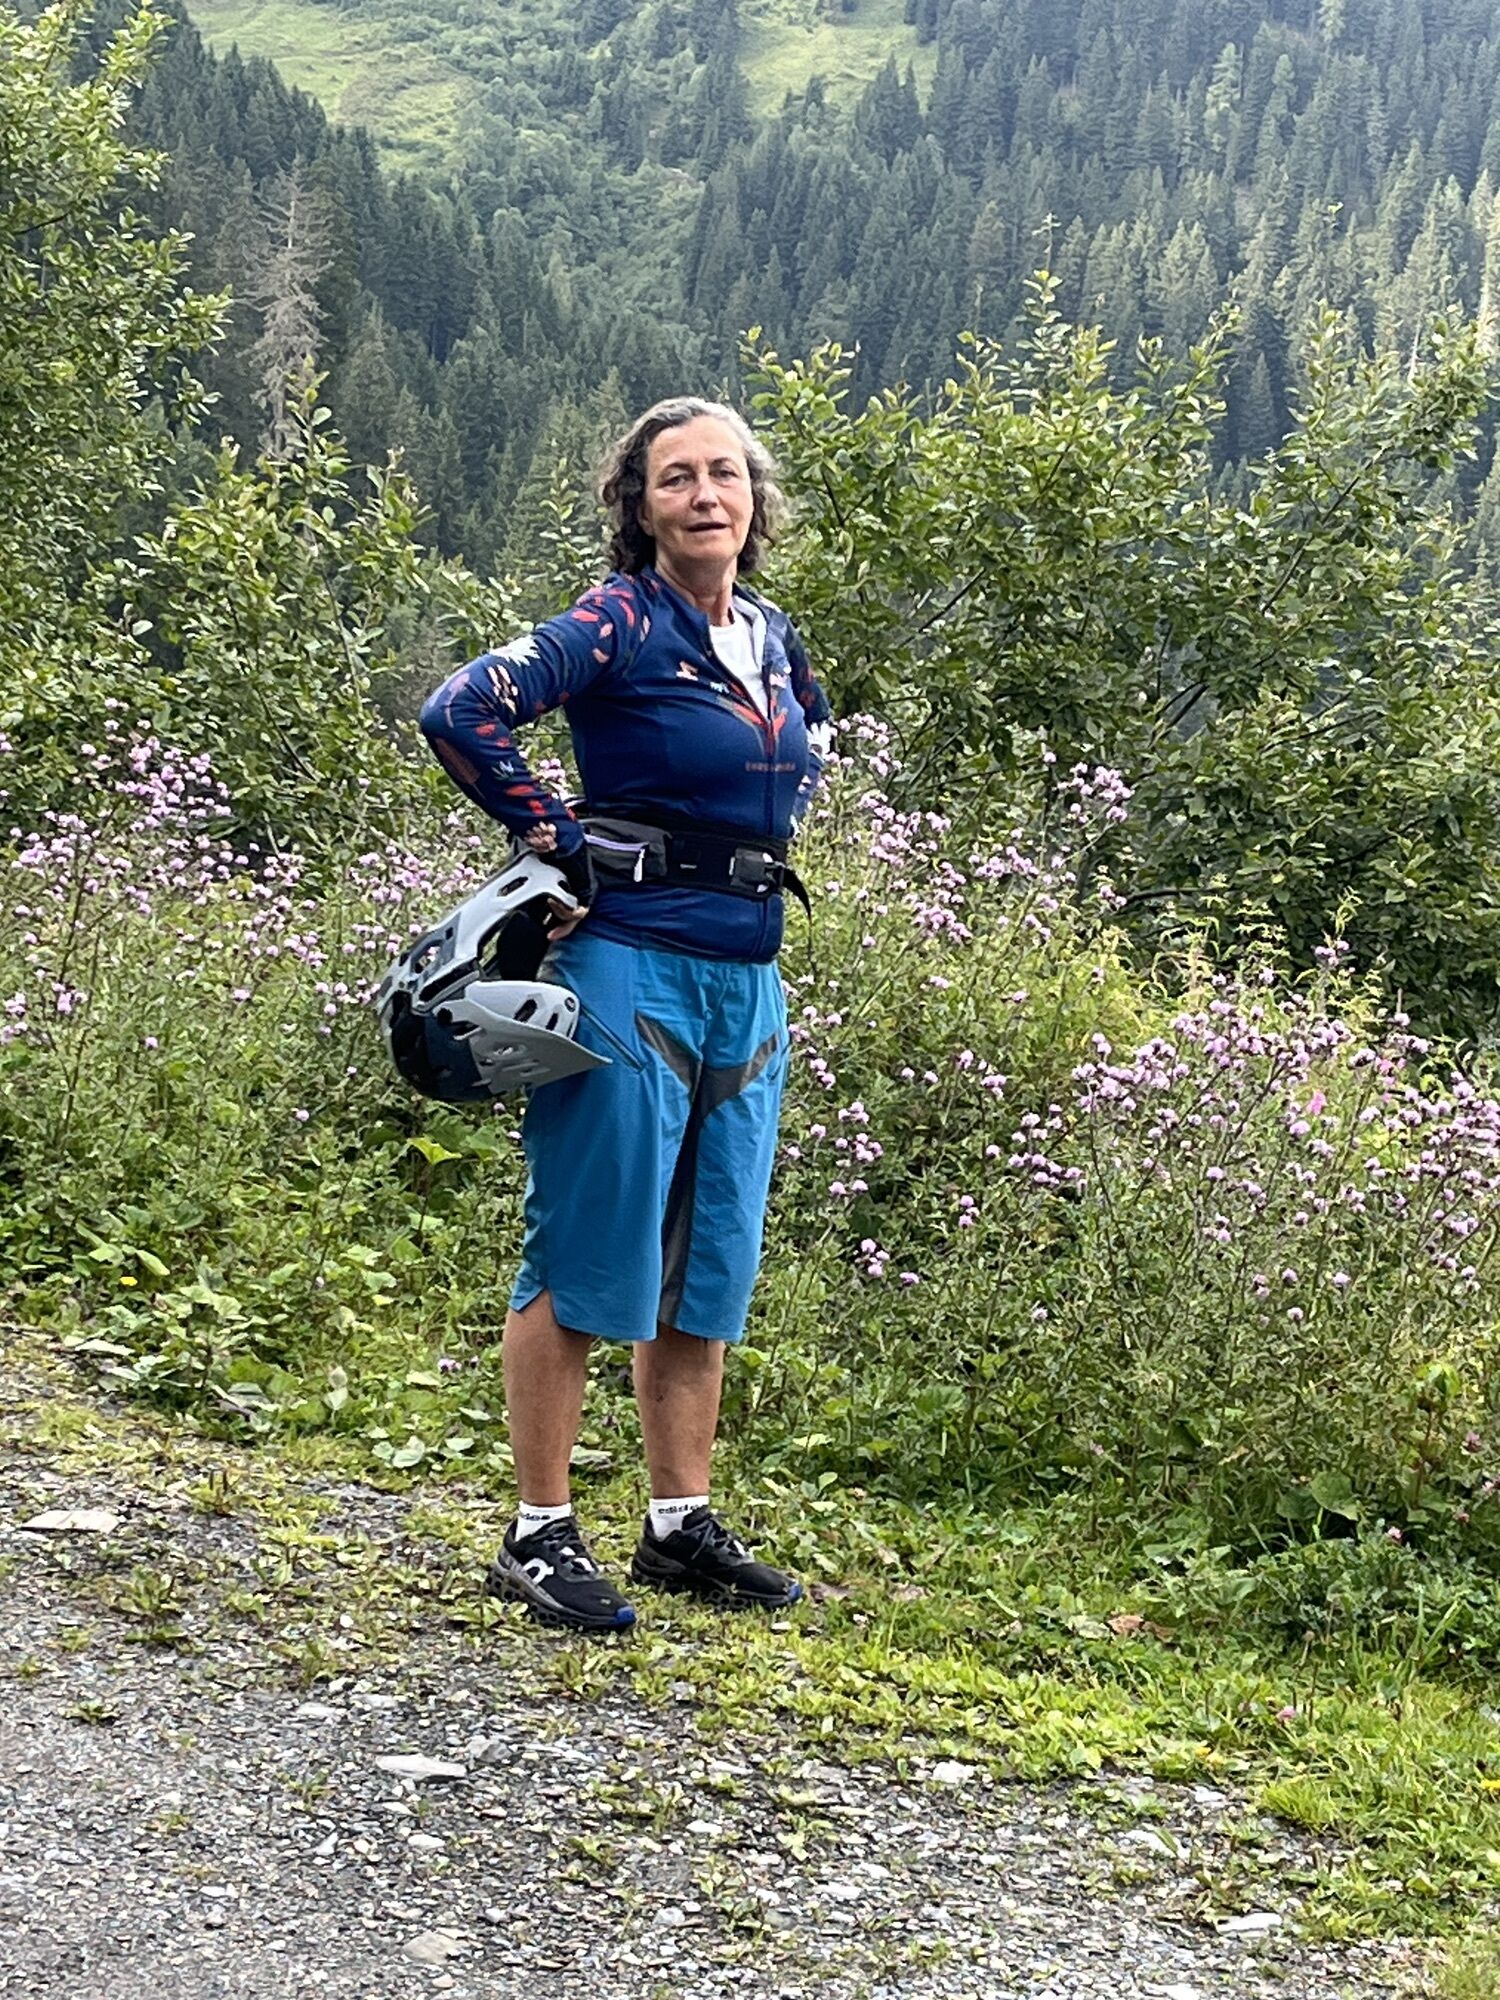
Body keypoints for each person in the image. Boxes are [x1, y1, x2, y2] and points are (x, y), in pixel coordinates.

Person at [419, 398, 832, 1634]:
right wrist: (555, 838)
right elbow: (461, 708)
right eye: (676, 478)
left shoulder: (774, 636)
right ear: (639, 506)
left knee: (706, 1259)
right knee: (590, 1244)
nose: (706, 495)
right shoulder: (618, 620)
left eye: (725, 474)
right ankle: (539, 1531)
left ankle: (676, 1524)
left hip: (746, 977)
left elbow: (797, 756)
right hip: (629, 965)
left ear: (753, 497)